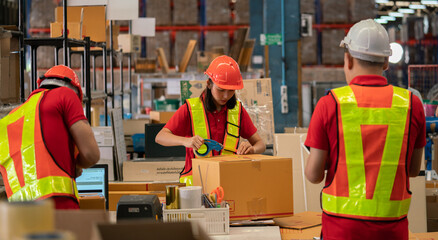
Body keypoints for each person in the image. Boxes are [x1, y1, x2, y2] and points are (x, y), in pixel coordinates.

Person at [304, 19, 426, 240]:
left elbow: (313, 175)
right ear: (387, 63)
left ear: (348, 59)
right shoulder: (410, 104)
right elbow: (412, 170)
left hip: (341, 231)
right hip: (393, 232)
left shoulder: (330, 103)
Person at [0, 65, 100, 209]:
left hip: (19, 214)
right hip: (59, 205)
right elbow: (91, 154)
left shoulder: (8, 120)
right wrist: (76, 165)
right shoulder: (66, 95)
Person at [156, 55, 266, 185]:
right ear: (208, 84)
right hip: (196, 186)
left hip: (228, 182)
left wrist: (251, 150)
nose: (226, 96)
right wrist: (186, 141)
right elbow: (160, 137)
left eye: (231, 91)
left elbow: (261, 144)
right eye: (221, 90)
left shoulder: (238, 111)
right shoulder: (190, 109)